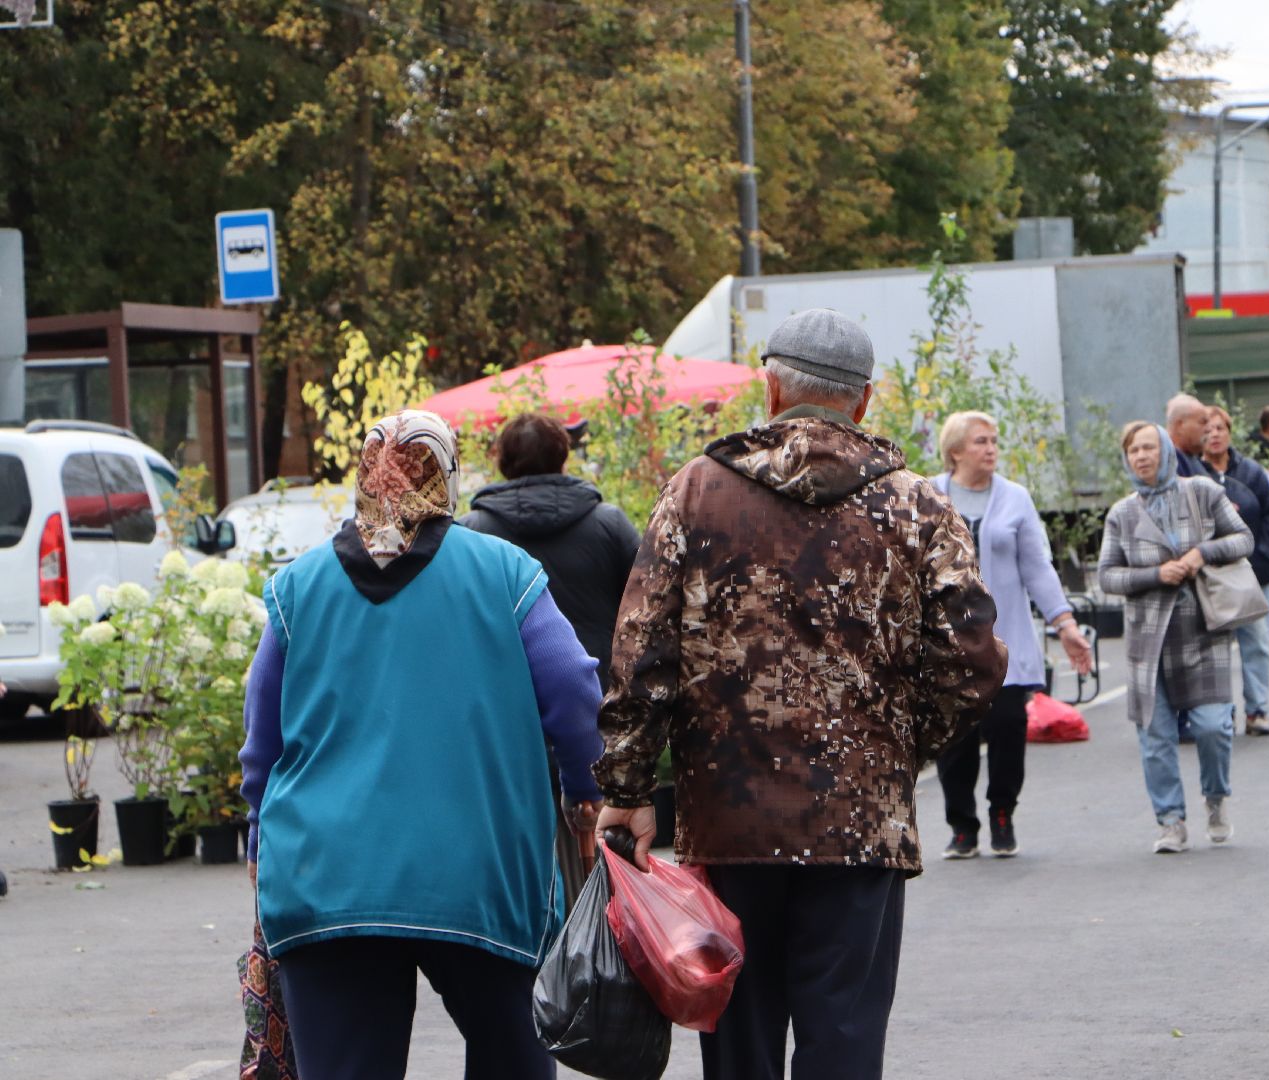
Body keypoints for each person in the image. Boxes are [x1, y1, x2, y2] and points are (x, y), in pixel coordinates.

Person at [592, 308, 1008, 1079]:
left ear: (772, 387)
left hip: (729, 819)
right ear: (865, 399)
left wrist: (628, 786)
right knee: (843, 1040)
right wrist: (900, 746)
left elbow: (641, 652)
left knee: (741, 1043)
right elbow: (973, 661)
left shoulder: (696, 493)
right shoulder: (918, 505)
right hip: (861, 822)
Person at [240, 410, 606, 1080]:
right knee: (515, 1057)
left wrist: (262, 842)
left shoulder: (298, 586)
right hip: (480, 875)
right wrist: (586, 795)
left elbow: (261, 742)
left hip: (327, 879)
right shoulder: (504, 574)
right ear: (447, 474)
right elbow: (574, 691)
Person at [460, 411, 640, 903]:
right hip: (595, 711)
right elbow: (648, 611)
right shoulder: (608, 526)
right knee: (599, 862)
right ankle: (598, 954)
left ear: (501, 461)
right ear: (564, 455)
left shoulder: (471, 536)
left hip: (505, 723)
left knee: (519, 861)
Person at [931, 411, 1093, 859]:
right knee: (955, 739)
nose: (991, 449)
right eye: (981, 441)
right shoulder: (930, 494)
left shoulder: (1015, 498)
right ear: (956, 451)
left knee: (1007, 728)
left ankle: (1002, 812)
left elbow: (1037, 567)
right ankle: (961, 825)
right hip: (947, 645)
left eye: (994, 441)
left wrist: (1065, 624)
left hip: (1007, 642)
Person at [1098, 421, 1254, 854]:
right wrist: (1155, 575)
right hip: (1148, 642)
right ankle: (1170, 821)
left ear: (1166, 451)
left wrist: (1203, 552)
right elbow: (1106, 576)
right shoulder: (1122, 514)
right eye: (1134, 451)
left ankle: (1216, 799)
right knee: (1155, 736)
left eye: (1150, 447)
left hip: (1203, 628)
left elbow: (1244, 539)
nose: (1142, 456)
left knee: (1212, 726)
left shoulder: (1201, 492)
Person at [1201, 406, 1269, 735]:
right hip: (1209, 576)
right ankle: (1219, 712)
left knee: (1257, 641)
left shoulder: (1250, 472)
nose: (1215, 434)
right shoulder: (1195, 474)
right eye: (1207, 429)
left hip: (1252, 573)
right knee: (1213, 648)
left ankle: (1257, 710)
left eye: (1220, 428)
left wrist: (1263, 554)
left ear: (1230, 432)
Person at [1165, 393, 1209, 477]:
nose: (1208, 429)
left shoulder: (1190, 458)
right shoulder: (1168, 462)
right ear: (1180, 425)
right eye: (1203, 422)